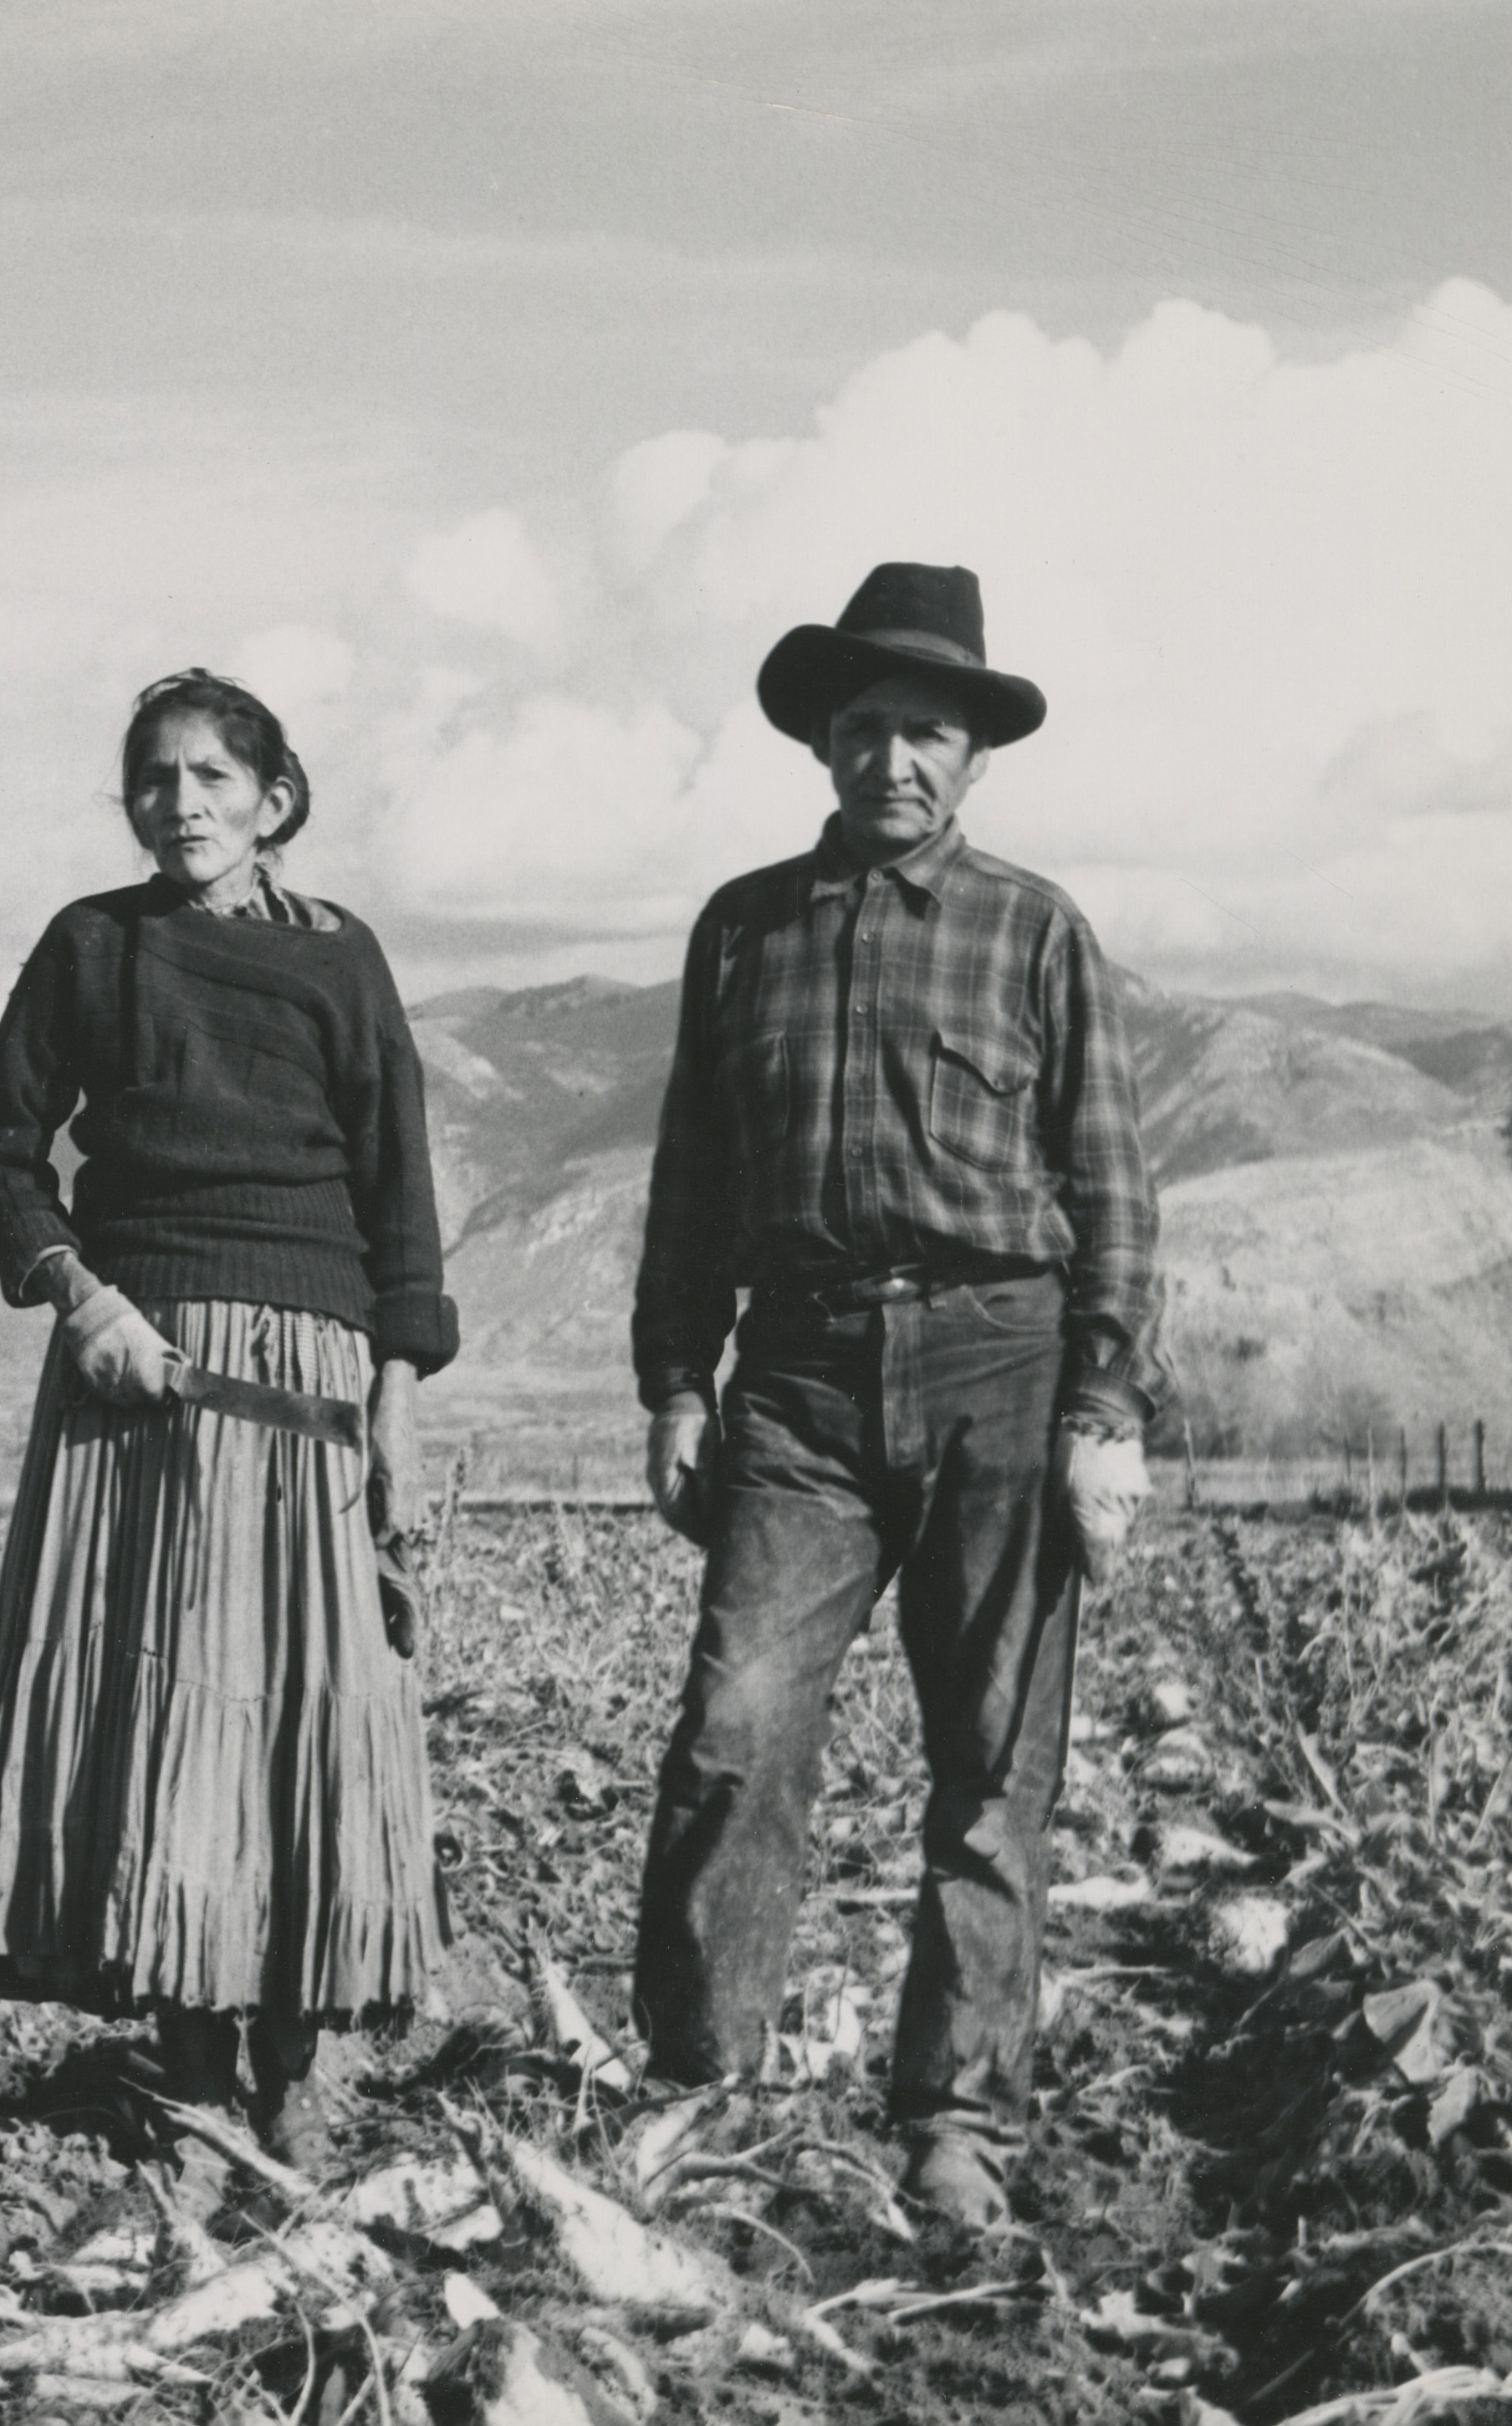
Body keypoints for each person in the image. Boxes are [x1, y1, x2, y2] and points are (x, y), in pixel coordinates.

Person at [628, 563, 1161, 2227]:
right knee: (731, 1731)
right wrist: (672, 1379)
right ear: (824, 745)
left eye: (924, 731)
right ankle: (702, 2096)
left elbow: (1113, 1185)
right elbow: (691, 1176)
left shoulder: (1033, 927)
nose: (892, 762)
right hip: (793, 1373)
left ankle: (955, 2126)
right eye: (862, 729)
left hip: (1000, 1365)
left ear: (972, 752)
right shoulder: (743, 926)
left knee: (990, 1766)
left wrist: (1105, 1410)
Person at [0, 669, 459, 2175]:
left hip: (308, 1375)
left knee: (298, 1702)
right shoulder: (92, 947)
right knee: (159, 1707)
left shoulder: (343, 963)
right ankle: (190, 2058)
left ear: (274, 798)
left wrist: (395, 1401)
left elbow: (398, 1198)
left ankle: (295, 2063)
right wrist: (79, 1297)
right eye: (154, 777)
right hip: (137, 1371)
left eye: (214, 775)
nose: (182, 802)